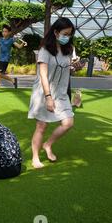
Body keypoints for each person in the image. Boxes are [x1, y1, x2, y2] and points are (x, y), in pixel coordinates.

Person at [28, 17, 76, 169]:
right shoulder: (45, 50)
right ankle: (35, 157)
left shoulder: (68, 49)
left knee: (68, 123)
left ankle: (47, 145)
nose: (67, 37)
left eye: (70, 34)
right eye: (65, 33)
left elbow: (66, 68)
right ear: (56, 32)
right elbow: (43, 74)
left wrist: (74, 67)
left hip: (61, 93)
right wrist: (48, 97)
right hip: (44, 92)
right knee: (41, 126)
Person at [0, 25, 27, 93]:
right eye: (3, 31)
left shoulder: (11, 40)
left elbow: (19, 47)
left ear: (9, 32)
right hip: (0, 59)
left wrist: (23, 43)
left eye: (6, 31)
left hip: (5, 59)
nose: (4, 33)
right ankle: (13, 81)